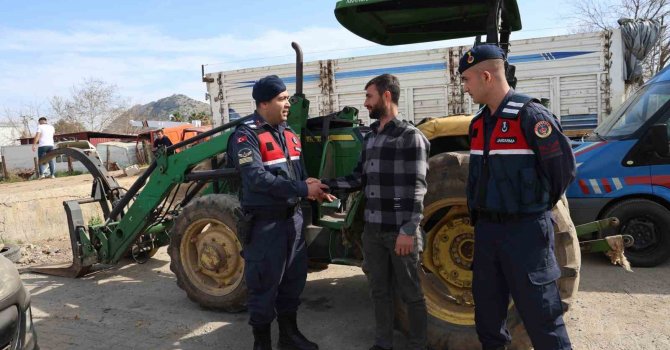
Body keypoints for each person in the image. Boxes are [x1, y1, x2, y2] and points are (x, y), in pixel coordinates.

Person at [460, 44, 576, 350]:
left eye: (467, 80)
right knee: (488, 321)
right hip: (487, 235)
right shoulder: (477, 124)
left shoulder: (530, 116)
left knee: (544, 321)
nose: (465, 88)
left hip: (525, 235)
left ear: (486, 76)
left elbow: (562, 171)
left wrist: (533, 209)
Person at [321, 74, 429, 350]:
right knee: (379, 291)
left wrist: (408, 230)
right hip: (373, 230)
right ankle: (383, 344)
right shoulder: (371, 137)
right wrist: (326, 185)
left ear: (387, 96)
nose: (365, 103)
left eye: (369, 96)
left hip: (399, 231)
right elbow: (358, 177)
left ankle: (418, 345)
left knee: (411, 293)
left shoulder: (410, 137)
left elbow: (417, 190)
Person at [227, 75, 328, 350]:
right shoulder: (245, 134)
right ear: (263, 103)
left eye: (287, 99)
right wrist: (300, 188)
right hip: (265, 226)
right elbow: (256, 179)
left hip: (293, 222)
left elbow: (300, 176)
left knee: (293, 282)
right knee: (262, 288)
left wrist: (313, 188)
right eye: (282, 99)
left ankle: (289, 336)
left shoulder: (289, 135)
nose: (288, 105)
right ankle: (262, 344)